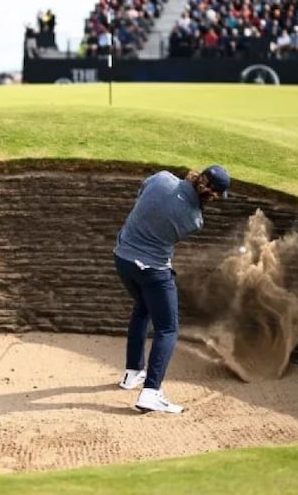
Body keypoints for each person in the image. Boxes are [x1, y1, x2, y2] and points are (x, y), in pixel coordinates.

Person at [114, 165, 231, 414]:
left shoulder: (162, 178)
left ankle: (132, 373)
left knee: (142, 308)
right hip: (154, 271)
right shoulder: (194, 220)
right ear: (212, 195)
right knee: (168, 328)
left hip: (122, 259)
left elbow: (142, 195)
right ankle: (151, 392)